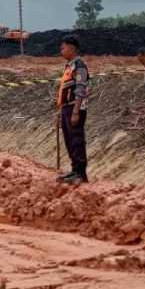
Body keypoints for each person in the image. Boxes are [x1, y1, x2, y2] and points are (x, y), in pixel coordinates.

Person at [56, 34, 90, 184]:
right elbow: (64, 89)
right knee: (69, 140)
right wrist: (60, 112)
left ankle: (81, 173)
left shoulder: (79, 66)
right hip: (66, 108)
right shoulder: (69, 67)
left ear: (71, 48)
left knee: (76, 139)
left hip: (74, 107)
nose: (61, 51)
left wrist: (76, 111)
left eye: (63, 48)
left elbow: (81, 89)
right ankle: (74, 169)